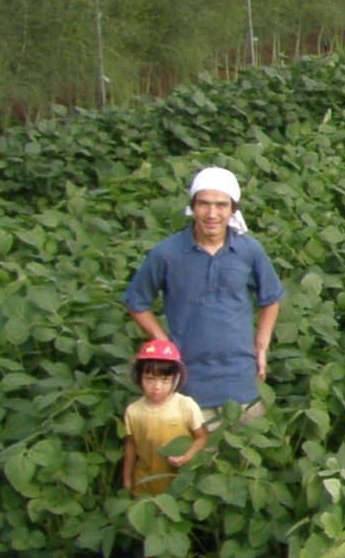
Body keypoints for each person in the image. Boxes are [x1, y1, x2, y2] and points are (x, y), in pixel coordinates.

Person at [124, 166, 284, 423]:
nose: (212, 214)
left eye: (221, 205)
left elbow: (271, 298)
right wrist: (164, 343)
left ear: (233, 210)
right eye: (204, 204)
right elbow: (136, 302)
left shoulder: (249, 250)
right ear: (193, 207)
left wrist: (261, 347)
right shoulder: (167, 254)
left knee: (245, 455)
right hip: (190, 382)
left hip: (242, 379)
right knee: (196, 456)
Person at [119, 336, 208, 498]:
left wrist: (185, 457)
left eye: (165, 380)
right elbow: (131, 445)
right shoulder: (133, 411)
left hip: (178, 479)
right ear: (139, 378)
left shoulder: (185, 405)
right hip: (145, 478)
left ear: (175, 379)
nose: (157, 387)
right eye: (150, 379)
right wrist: (127, 477)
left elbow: (201, 438)